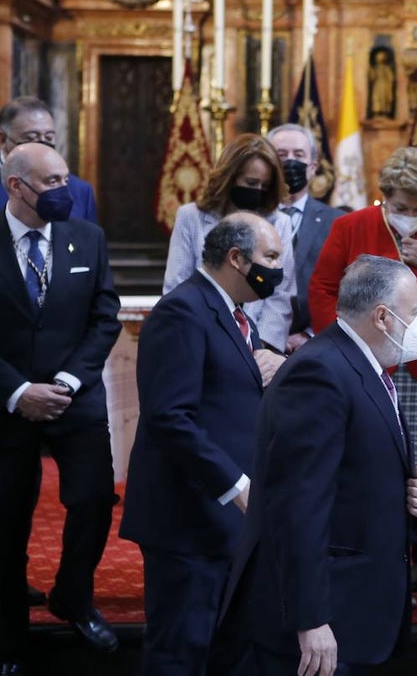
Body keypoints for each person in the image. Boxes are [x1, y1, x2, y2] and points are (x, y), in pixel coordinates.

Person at [223, 255, 417, 676]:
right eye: (414, 312)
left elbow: (365, 476)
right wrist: (311, 618)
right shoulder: (320, 374)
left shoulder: (363, 366)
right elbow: (296, 506)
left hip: (362, 605)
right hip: (325, 620)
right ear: (383, 317)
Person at [120, 213, 286, 676]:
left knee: (226, 650)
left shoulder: (234, 315)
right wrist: (237, 486)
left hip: (224, 523)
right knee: (181, 652)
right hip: (188, 520)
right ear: (236, 258)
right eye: (270, 257)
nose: (278, 269)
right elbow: (170, 417)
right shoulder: (182, 311)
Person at [309, 146, 417, 591]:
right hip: (364, 366)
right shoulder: (351, 226)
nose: (411, 216)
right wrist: (342, 345)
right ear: (384, 198)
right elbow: (322, 288)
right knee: (375, 460)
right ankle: (376, 552)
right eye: (401, 208)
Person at [0, 143, 121, 673]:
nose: (64, 191)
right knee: (6, 519)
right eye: (50, 182)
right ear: (16, 187)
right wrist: (18, 392)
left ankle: (73, 596)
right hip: (7, 403)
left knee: (94, 500)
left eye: (65, 179)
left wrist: (70, 381)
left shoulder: (86, 238)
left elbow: (105, 314)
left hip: (75, 396)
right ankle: (8, 632)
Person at [163, 133, 297, 353]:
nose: (258, 191)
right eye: (251, 183)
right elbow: (178, 284)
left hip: (257, 346)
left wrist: (261, 346)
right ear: (230, 177)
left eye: (265, 185)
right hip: (202, 339)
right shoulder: (191, 217)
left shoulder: (279, 222)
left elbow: (281, 294)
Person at [267, 124, 341, 355]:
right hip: (257, 344)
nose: (290, 162)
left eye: (298, 155)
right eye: (281, 155)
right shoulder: (249, 216)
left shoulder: (336, 222)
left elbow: (344, 289)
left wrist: (311, 333)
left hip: (316, 346)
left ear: (313, 167)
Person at [0, 96, 97, 222]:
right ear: (2, 139)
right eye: (31, 138)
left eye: (49, 137)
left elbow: (88, 239)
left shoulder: (80, 191)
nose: (42, 144)